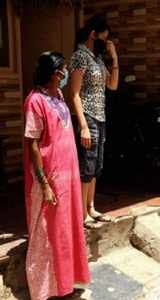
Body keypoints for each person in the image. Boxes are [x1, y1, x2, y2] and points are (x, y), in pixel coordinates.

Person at [24, 52, 90, 300]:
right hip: (50, 177)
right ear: (55, 73)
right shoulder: (35, 101)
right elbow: (32, 144)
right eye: (63, 69)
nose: (66, 74)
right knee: (49, 232)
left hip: (68, 175)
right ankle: (46, 290)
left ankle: (66, 283)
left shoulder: (59, 96)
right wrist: (45, 183)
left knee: (67, 229)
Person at [70, 14, 119, 227]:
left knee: (96, 166)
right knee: (86, 166)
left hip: (101, 117)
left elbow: (113, 85)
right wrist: (83, 126)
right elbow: (73, 94)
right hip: (88, 117)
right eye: (103, 37)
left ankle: (91, 207)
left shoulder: (96, 58)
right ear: (93, 34)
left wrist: (114, 58)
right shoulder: (80, 57)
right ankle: (82, 214)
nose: (105, 42)